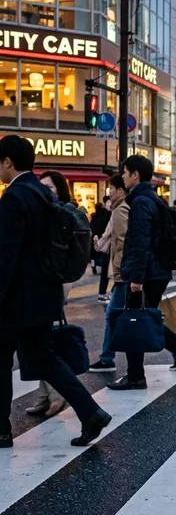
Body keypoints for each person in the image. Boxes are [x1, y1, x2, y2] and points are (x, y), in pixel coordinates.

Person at [0, 135, 112, 447]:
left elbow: (6, 255)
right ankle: (91, 412)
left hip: (14, 301)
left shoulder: (13, 197)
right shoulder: (43, 194)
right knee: (45, 359)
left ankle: (1, 429)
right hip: (44, 295)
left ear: (8, 162)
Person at [107, 155, 176, 391]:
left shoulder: (140, 202)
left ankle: (139, 374)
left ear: (135, 175)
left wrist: (136, 278)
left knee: (135, 318)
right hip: (156, 271)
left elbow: (140, 241)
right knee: (144, 317)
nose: (123, 176)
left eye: (125, 172)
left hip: (147, 273)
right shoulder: (151, 198)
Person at [25, 170, 76, 418]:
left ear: (61, 189)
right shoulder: (46, 211)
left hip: (54, 284)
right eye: (43, 186)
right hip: (43, 284)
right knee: (40, 344)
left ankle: (56, 396)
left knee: (46, 344)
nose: (46, 191)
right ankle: (45, 396)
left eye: (51, 187)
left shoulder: (63, 213)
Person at [88, 175, 130, 372]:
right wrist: (99, 244)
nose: (109, 192)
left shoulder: (121, 210)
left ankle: (106, 358)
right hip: (126, 273)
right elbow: (110, 239)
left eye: (111, 189)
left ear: (120, 190)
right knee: (135, 314)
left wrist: (120, 272)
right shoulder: (118, 209)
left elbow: (121, 241)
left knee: (114, 314)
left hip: (125, 274)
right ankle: (106, 357)